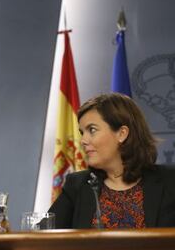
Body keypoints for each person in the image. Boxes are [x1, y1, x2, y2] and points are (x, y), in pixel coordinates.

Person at [49, 93, 175, 229]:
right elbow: (42, 239)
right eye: (82, 132)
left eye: (92, 130)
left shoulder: (170, 180)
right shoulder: (78, 185)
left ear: (122, 134)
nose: (83, 141)